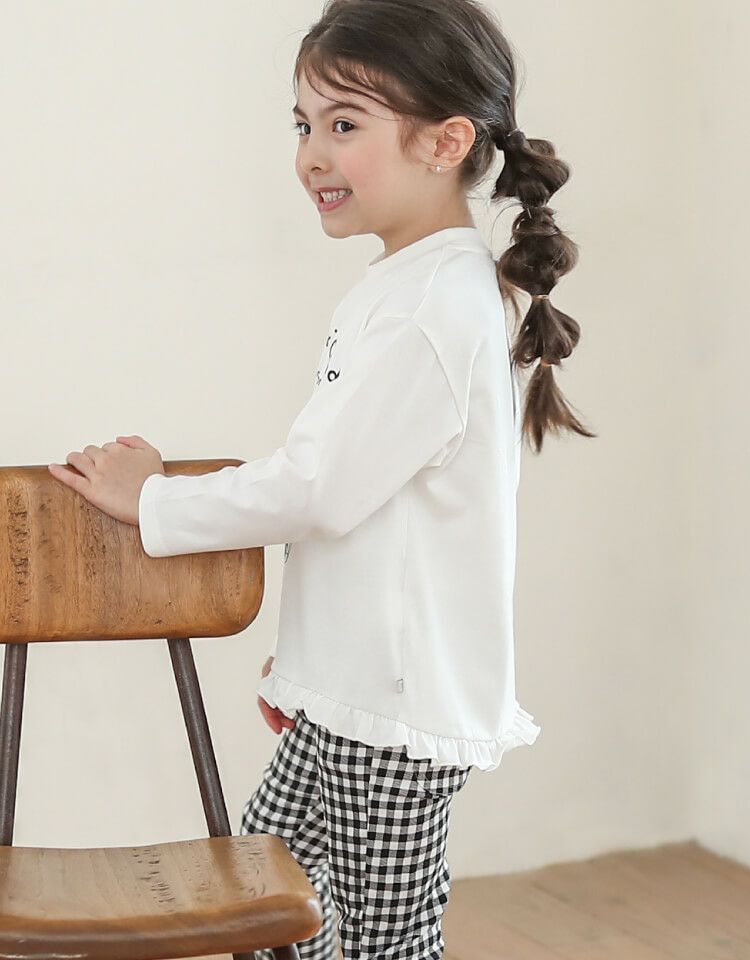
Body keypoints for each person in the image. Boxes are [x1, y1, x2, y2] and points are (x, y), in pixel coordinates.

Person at [48, 1, 595, 957]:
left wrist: (154, 499)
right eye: (303, 125)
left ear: (446, 142)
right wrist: (309, 667)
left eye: (344, 124)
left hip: (390, 714)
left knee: (380, 939)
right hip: (354, 695)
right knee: (270, 911)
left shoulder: (435, 304)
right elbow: (367, 513)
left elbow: (318, 491)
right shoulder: (409, 287)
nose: (310, 155)